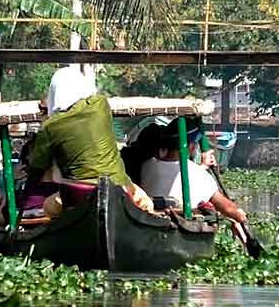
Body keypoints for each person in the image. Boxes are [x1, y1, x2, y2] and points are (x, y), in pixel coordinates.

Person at [27, 67, 153, 216]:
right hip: (119, 187)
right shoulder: (101, 105)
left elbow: (36, 166)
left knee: (48, 206)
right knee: (147, 204)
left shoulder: (49, 127)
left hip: (77, 197)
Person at [140, 118, 248, 235]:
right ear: (190, 146)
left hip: (151, 225)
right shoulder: (198, 175)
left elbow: (175, 173)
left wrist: (202, 166)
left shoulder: (147, 166)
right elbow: (226, 208)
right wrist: (239, 215)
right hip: (181, 228)